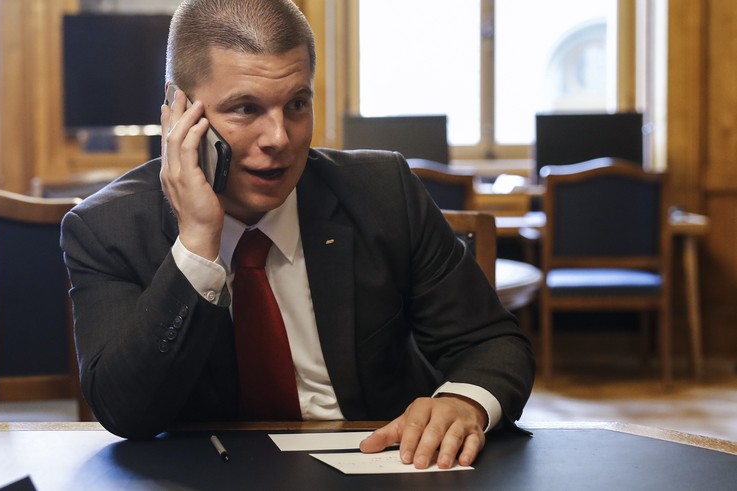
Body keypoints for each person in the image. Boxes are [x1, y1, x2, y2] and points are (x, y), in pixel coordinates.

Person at [60, 0, 534, 470]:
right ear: (177, 113)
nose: (280, 138)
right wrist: (197, 243)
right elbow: (126, 410)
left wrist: (463, 404)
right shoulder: (108, 229)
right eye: (246, 109)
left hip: (383, 467)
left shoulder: (382, 191)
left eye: (297, 105)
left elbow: (492, 342)